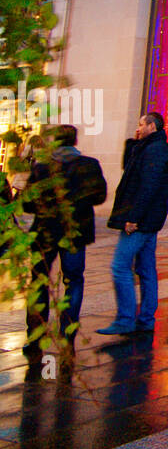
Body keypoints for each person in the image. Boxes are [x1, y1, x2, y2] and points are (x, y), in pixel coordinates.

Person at [24, 125, 107, 347]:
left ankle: (35, 331)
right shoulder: (89, 166)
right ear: (74, 141)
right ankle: (67, 331)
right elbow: (99, 196)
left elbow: (27, 202)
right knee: (74, 280)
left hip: (45, 232)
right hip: (74, 233)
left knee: (39, 282)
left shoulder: (43, 167)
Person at [97, 112, 168, 336]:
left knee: (120, 266)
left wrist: (134, 217)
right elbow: (128, 168)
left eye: (141, 124)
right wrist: (134, 142)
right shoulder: (148, 147)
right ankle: (146, 317)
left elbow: (148, 186)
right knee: (146, 268)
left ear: (152, 126)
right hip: (148, 219)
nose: (138, 127)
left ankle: (126, 318)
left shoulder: (156, 150)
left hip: (142, 219)